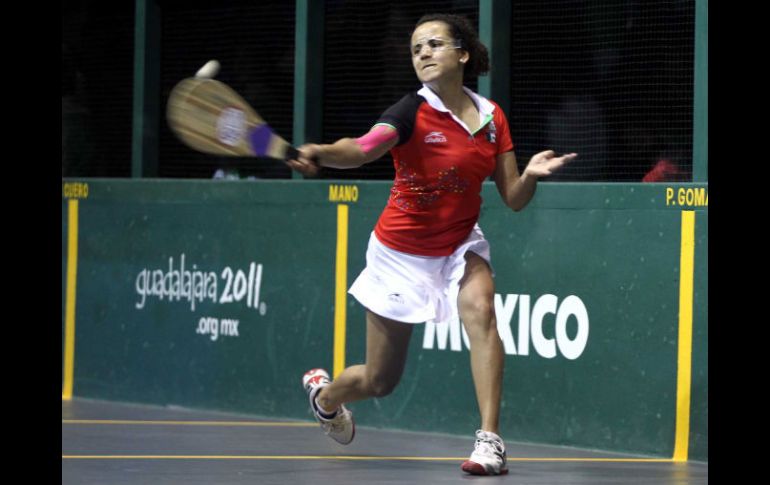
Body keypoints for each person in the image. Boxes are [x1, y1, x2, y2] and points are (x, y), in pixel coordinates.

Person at [287, 13, 576, 476]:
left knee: (482, 311)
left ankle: (490, 441)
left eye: (434, 44)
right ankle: (325, 396)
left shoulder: (492, 118)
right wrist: (322, 152)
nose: (422, 53)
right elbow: (363, 148)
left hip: (460, 243)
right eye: (416, 48)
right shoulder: (409, 112)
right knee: (380, 381)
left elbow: (513, 199)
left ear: (462, 54)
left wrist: (531, 177)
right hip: (399, 255)